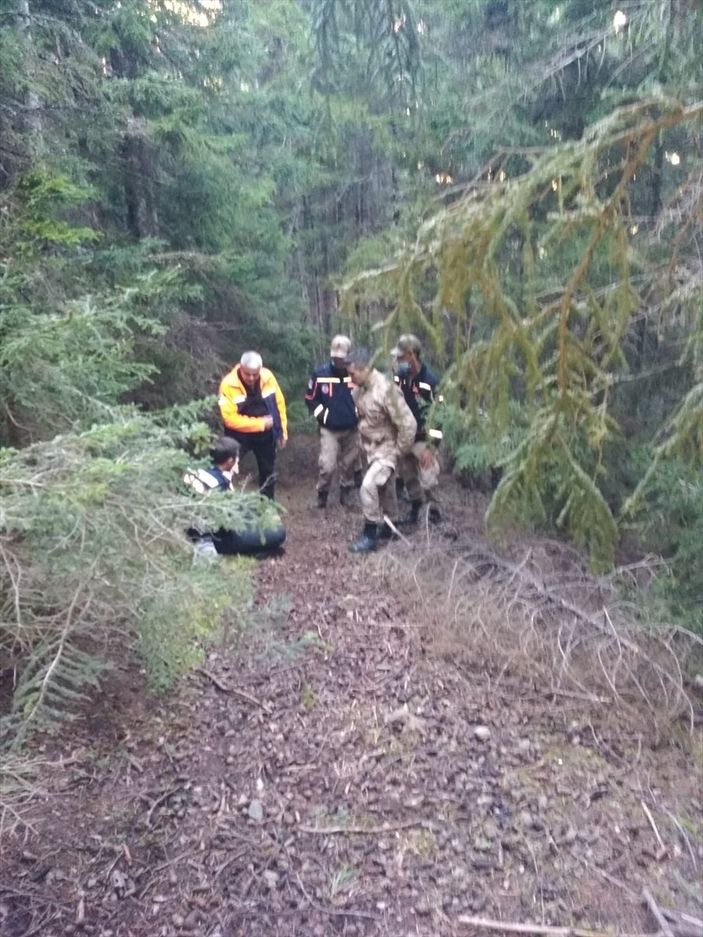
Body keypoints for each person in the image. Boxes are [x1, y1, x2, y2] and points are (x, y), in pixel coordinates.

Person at [345, 348, 417, 553]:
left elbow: (408, 424)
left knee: (368, 486)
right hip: (370, 450)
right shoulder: (359, 390)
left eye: (352, 373)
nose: (350, 378)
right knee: (385, 488)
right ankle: (390, 525)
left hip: (387, 449)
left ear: (365, 369)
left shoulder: (386, 390)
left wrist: (398, 452)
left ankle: (370, 535)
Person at [183, 436, 286, 555]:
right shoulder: (219, 485)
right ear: (229, 461)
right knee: (279, 533)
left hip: (197, 532)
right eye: (237, 457)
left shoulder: (203, 473)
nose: (238, 461)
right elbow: (228, 521)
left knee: (256, 521)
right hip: (219, 538)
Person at [218, 351, 287, 500]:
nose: (251, 378)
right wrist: (260, 424)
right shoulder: (228, 384)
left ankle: (268, 506)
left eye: (255, 374)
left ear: (260, 370)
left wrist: (282, 431)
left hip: (266, 436)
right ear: (240, 368)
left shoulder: (268, 377)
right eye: (247, 374)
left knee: (268, 472)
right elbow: (229, 419)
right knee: (226, 467)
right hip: (238, 436)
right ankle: (220, 502)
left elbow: (279, 404)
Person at [392, 334, 443, 525]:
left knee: (428, 478)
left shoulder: (431, 381)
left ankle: (434, 513)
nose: (398, 361)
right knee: (408, 475)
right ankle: (415, 509)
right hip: (405, 437)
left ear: (412, 355)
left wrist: (431, 447)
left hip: (424, 439)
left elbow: (440, 417)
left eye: (401, 357)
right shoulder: (400, 378)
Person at [305, 335, 359, 508]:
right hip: (329, 429)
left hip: (352, 428)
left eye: (341, 358)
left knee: (349, 464)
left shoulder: (356, 374)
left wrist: (359, 413)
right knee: (327, 466)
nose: (338, 361)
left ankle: (346, 492)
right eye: (335, 357)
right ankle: (322, 494)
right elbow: (310, 399)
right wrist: (323, 415)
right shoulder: (320, 374)